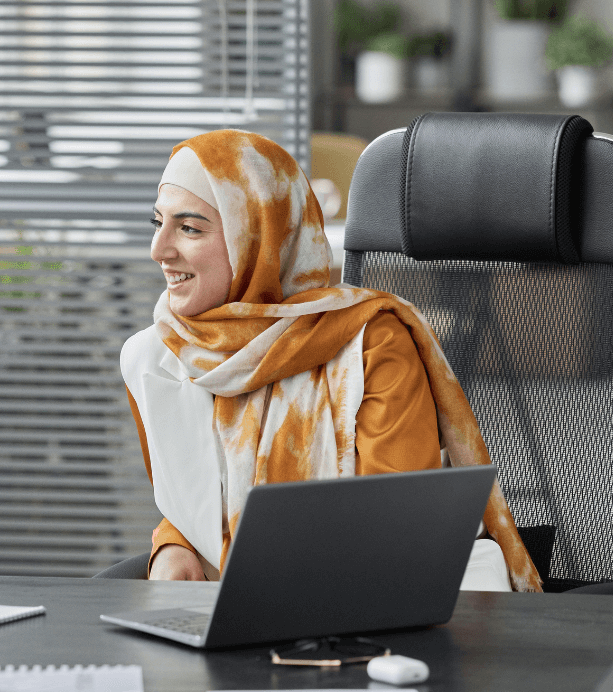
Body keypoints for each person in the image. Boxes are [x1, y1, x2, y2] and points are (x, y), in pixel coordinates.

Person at [121, 129, 542, 592]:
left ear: (258, 237)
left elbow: (399, 531)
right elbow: (193, 495)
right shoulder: (153, 358)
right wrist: (173, 544)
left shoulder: (370, 345)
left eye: (189, 228)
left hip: (365, 610)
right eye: (156, 223)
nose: (159, 250)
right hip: (221, 612)